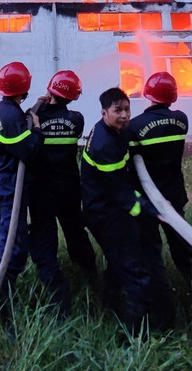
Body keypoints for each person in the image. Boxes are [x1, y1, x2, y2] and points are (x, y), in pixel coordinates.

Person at [80, 87, 173, 336]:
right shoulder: (104, 145)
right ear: (103, 113)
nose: (124, 115)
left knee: (117, 262)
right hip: (106, 214)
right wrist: (154, 210)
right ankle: (135, 339)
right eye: (117, 110)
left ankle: (109, 310)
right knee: (137, 274)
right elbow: (121, 194)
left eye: (126, 109)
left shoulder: (111, 131)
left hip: (104, 208)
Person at [129, 72, 192, 303]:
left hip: (147, 200)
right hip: (174, 195)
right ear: (173, 96)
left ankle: (158, 297)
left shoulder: (134, 126)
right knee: (183, 247)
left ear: (147, 94)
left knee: (150, 250)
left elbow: (131, 160)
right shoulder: (181, 119)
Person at [27, 71, 98, 316]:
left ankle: (56, 295)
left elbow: (27, 121)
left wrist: (40, 103)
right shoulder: (76, 119)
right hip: (69, 189)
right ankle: (92, 278)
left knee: (44, 239)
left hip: (41, 191)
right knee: (76, 234)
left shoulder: (34, 117)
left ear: (50, 90)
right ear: (72, 96)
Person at [0, 61, 42, 332]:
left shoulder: (7, 109)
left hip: (1, 184)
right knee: (13, 248)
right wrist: (38, 128)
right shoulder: (9, 117)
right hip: (11, 191)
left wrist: (30, 114)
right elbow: (29, 149)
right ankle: (3, 308)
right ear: (24, 88)